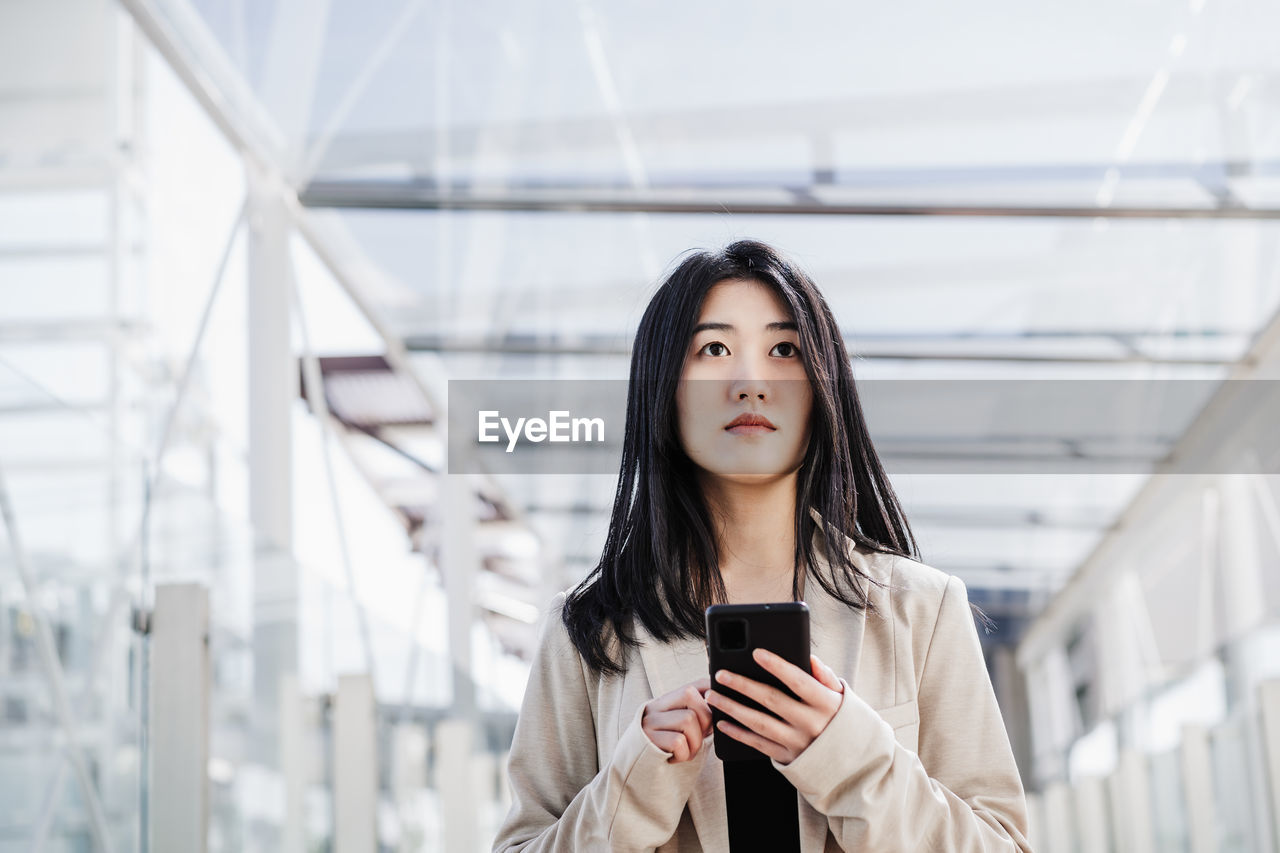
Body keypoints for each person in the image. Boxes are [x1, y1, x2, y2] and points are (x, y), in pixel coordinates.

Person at [492, 239, 1034, 852]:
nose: (751, 382)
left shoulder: (920, 608)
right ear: (663, 388)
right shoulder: (590, 627)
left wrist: (847, 756)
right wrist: (631, 788)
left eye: (784, 350)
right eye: (714, 349)